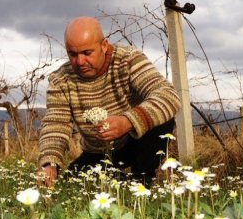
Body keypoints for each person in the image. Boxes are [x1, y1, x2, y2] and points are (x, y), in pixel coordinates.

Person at [37, 16, 181, 188]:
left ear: (104, 46)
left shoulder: (128, 60)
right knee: (71, 185)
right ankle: (117, 180)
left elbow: (168, 94)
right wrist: (49, 163)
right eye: (72, 54)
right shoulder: (60, 80)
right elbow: (55, 123)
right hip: (97, 151)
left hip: (135, 141)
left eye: (87, 53)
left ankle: (142, 182)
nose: (80, 62)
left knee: (163, 118)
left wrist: (128, 121)